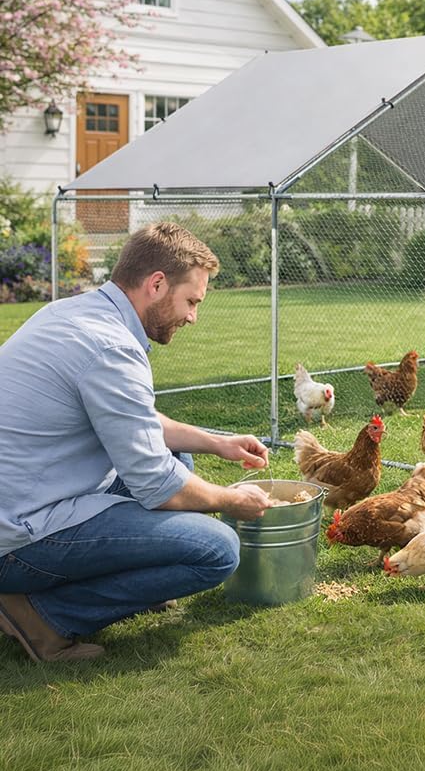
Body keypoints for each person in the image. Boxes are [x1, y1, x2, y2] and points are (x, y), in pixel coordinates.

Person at [0, 221, 273, 663]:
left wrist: (219, 443)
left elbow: (136, 422)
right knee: (217, 550)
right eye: (191, 301)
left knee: (178, 453)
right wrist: (229, 499)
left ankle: (136, 576)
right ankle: (42, 616)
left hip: (27, 494)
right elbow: (156, 484)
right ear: (157, 284)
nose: (192, 316)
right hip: (17, 536)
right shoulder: (110, 347)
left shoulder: (73, 313)